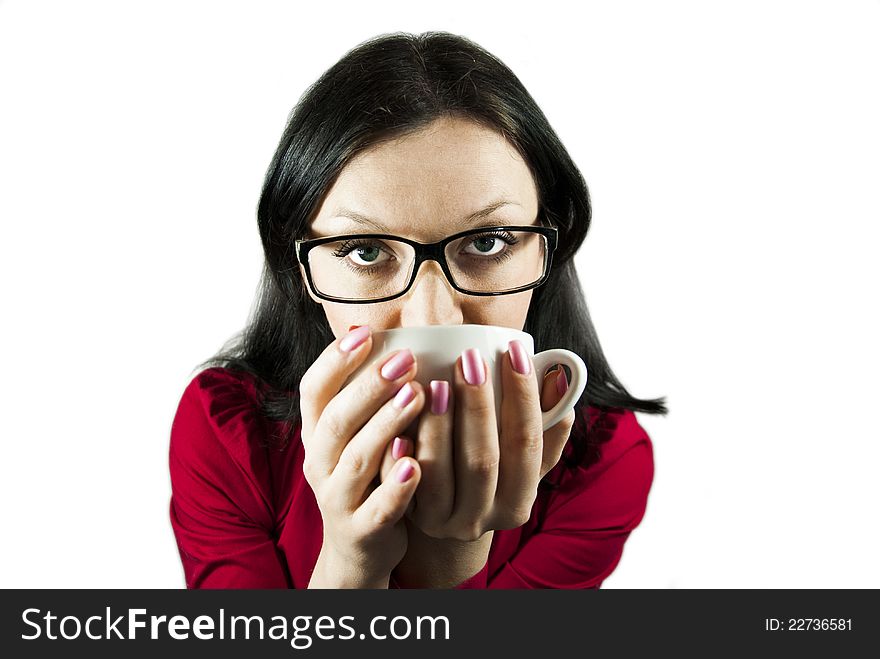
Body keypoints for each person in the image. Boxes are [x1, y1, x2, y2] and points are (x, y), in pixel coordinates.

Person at [168, 31, 667, 589]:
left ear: (550, 245)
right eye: (366, 251)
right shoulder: (224, 431)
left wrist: (447, 571)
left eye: (488, 242)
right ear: (300, 268)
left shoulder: (603, 461)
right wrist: (350, 565)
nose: (433, 319)